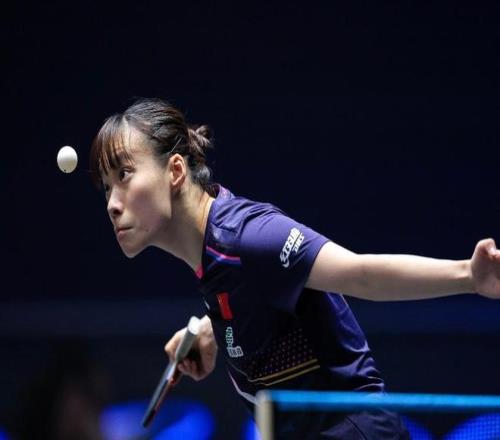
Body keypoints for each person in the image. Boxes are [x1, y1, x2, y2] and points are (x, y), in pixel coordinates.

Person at [89, 98, 500, 439]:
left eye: (124, 175)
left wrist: (468, 275)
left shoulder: (248, 236)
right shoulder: (214, 252)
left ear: (176, 171)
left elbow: (361, 274)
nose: (112, 203)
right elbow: (261, 293)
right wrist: (216, 329)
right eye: (106, 187)